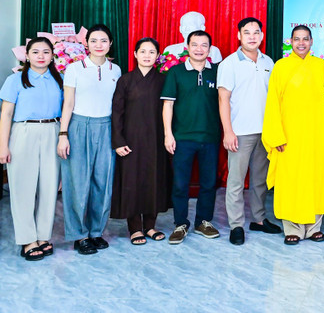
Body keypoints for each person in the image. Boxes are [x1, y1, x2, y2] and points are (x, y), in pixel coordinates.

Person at [262, 26, 324, 245]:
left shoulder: (322, 66)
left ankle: (314, 227)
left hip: (317, 134)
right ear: (291, 41)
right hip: (290, 136)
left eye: (305, 39)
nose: (301, 43)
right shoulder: (281, 66)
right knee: (291, 181)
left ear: (312, 41)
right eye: (297, 39)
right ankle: (292, 228)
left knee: (316, 179)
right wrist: (276, 136)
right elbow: (273, 103)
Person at [58, 24, 122, 255]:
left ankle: (96, 231)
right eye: (93, 40)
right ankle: (79, 235)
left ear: (110, 43)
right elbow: (68, 103)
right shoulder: (74, 68)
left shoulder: (116, 70)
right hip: (79, 126)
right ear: (86, 44)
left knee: (103, 183)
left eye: (103, 40)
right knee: (77, 183)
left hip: (106, 128)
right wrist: (63, 135)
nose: (98, 45)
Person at [217, 17, 281, 246]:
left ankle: (259, 219)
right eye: (247, 32)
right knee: (236, 181)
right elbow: (223, 99)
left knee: (260, 180)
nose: (252, 37)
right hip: (240, 132)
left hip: (265, 132)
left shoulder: (268, 62)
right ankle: (236, 225)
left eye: (256, 32)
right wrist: (228, 131)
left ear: (262, 36)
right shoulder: (229, 63)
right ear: (239, 36)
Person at [0, 37, 63, 261]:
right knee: (22, 189)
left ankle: (43, 236)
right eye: (35, 52)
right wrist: (3, 146)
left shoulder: (60, 79)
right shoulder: (15, 80)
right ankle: (28, 239)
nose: (40, 56)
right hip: (23, 132)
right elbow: (6, 114)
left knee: (49, 187)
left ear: (53, 56)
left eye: (46, 52)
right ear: (26, 56)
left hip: (53, 131)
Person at [162, 30, 222, 245]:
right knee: (180, 184)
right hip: (182, 138)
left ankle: (203, 221)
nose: (199, 49)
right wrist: (168, 134)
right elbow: (168, 105)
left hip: (210, 137)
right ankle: (180, 224)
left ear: (210, 49)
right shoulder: (176, 72)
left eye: (204, 45)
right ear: (187, 47)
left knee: (208, 183)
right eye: (194, 44)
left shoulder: (218, 72)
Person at [110, 37, 170, 245]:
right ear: (135, 54)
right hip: (131, 141)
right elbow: (116, 113)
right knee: (132, 183)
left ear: (158, 56)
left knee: (154, 180)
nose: (147, 55)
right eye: (143, 51)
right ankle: (135, 228)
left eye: (152, 52)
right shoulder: (125, 80)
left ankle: (150, 226)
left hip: (156, 139)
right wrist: (118, 141)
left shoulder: (163, 80)